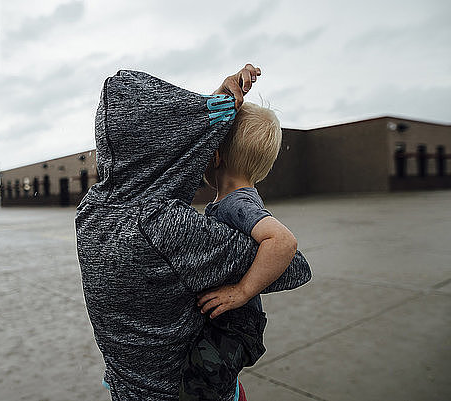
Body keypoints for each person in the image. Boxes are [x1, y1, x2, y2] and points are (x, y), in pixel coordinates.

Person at [75, 64, 311, 401]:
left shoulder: (90, 213)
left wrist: (220, 104)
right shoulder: (160, 223)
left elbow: (160, 158)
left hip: (126, 386)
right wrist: (245, 289)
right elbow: (294, 265)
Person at [179, 102, 299, 401]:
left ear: (215, 156)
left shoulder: (236, 203)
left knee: (195, 388)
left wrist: (242, 290)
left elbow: (283, 242)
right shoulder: (236, 200)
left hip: (234, 326)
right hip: (233, 326)